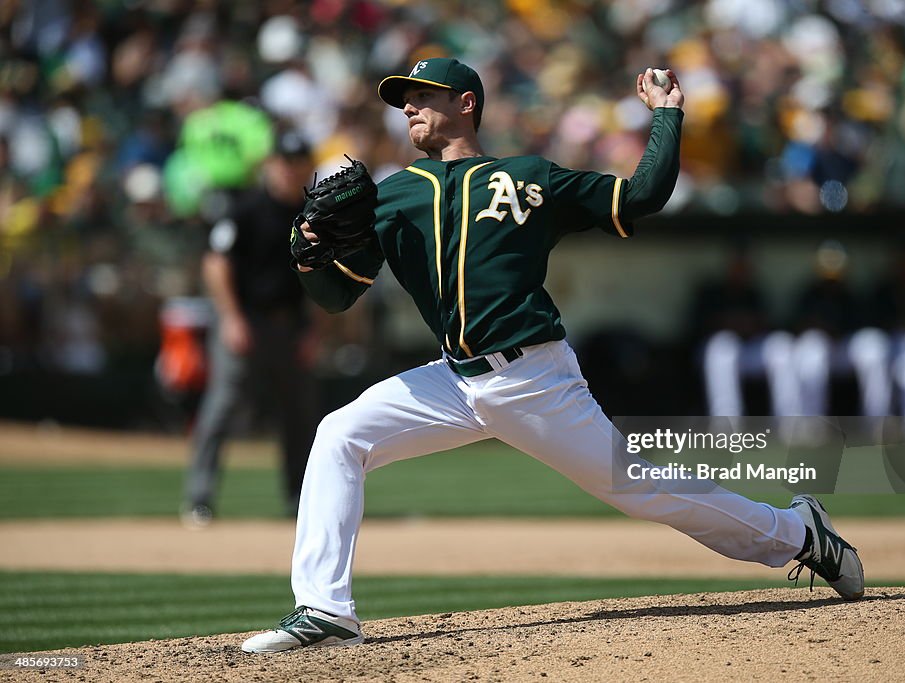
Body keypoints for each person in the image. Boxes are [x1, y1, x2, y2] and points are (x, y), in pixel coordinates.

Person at [241, 58, 864, 653]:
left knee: (645, 492)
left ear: (466, 104)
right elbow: (336, 298)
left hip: (534, 380)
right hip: (454, 382)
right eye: (404, 99)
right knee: (340, 434)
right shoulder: (394, 197)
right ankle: (325, 610)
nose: (408, 106)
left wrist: (668, 116)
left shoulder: (529, 178)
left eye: (422, 95)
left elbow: (642, 195)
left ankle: (799, 532)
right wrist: (307, 252)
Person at [181, 130, 321, 528]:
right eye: (284, 161)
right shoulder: (245, 209)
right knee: (222, 407)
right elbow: (215, 264)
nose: (289, 170)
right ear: (270, 164)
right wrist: (230, 318)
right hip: (246, 322)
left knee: (299, 417)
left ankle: (298, 500)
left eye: (297, 162)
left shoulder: (313, 214)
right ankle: (199, 497)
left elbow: (323, 276)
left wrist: (316, 330)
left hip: (291, 327)